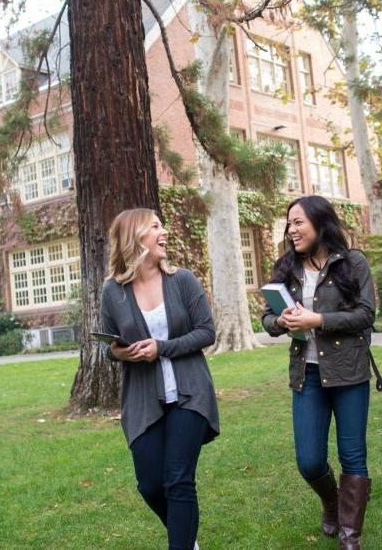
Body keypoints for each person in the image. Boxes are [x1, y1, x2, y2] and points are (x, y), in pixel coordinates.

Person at [261, 195, 377, 550]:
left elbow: (365, 315)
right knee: (309, 461)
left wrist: (318, 320)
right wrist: (279, 320)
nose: (292, 230)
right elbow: (266, 318)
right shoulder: (286, 268)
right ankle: (331, 501)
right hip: (306, 374)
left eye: (299, 222)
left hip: (349, 371)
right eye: (289, 223)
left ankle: (350, 537)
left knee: (352, 455)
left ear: (320, 222)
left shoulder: (352, 262)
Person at [99, 208, 218, 550]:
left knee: (179, 481)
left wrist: (161, 348)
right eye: (155, 227)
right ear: (135, 238)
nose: (163, 232)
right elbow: (109, 344)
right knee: (150, 485)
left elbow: (206, 332)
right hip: (142, 399)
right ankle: (187, 539)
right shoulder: (113, 291)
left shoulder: (182, 280)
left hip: (189, 393)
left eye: (162, 226)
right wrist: (119, 353)